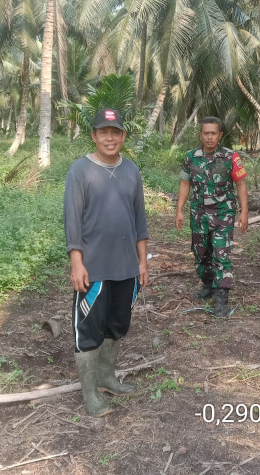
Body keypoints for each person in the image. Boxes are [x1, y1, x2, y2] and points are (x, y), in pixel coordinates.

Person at [63, 108, 149, 416]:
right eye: (103, 132)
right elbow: (72, 220)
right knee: (89, 330)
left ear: (123, 136)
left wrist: (142, 262)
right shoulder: (80, 170)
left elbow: (139, 219)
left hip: (126, 267)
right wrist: (77, 262)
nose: (109, 138)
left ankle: (107, 376)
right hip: (94, 268)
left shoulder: (132, 171)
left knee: (117, 325)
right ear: (94, 136)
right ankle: (90, 393)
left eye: (115, 132)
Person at [175, 116, 248, 318]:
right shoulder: (191, 157)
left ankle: (221, 297)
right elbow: (184, 184)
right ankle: (208, 284)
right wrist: (179, 210)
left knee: (221, 254)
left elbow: (241, 184)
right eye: (206, 133)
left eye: (213, 133)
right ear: (201, 134)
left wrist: (244, 211)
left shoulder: (230, 157)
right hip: (198, 214)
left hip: (223, 214)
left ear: (220, 135)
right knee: (201, 253)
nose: (209, 137)